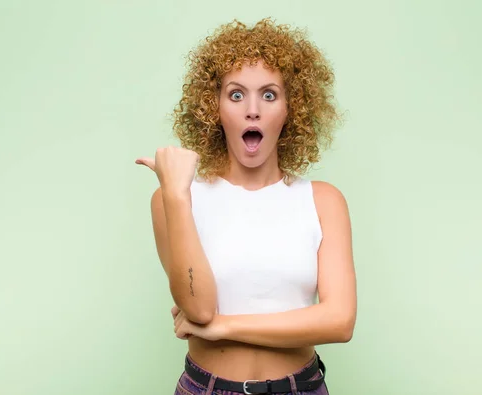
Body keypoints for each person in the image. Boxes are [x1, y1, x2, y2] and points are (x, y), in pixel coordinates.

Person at [136, 17, 356, 395]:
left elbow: (339, 321)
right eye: (236, 95)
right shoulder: (173, 199)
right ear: (214, 108)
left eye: (269, 95)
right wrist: (175, 195)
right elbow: (199, 309)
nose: (252, 110)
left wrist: (225, 327)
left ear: (291, 110)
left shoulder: (323, 200)